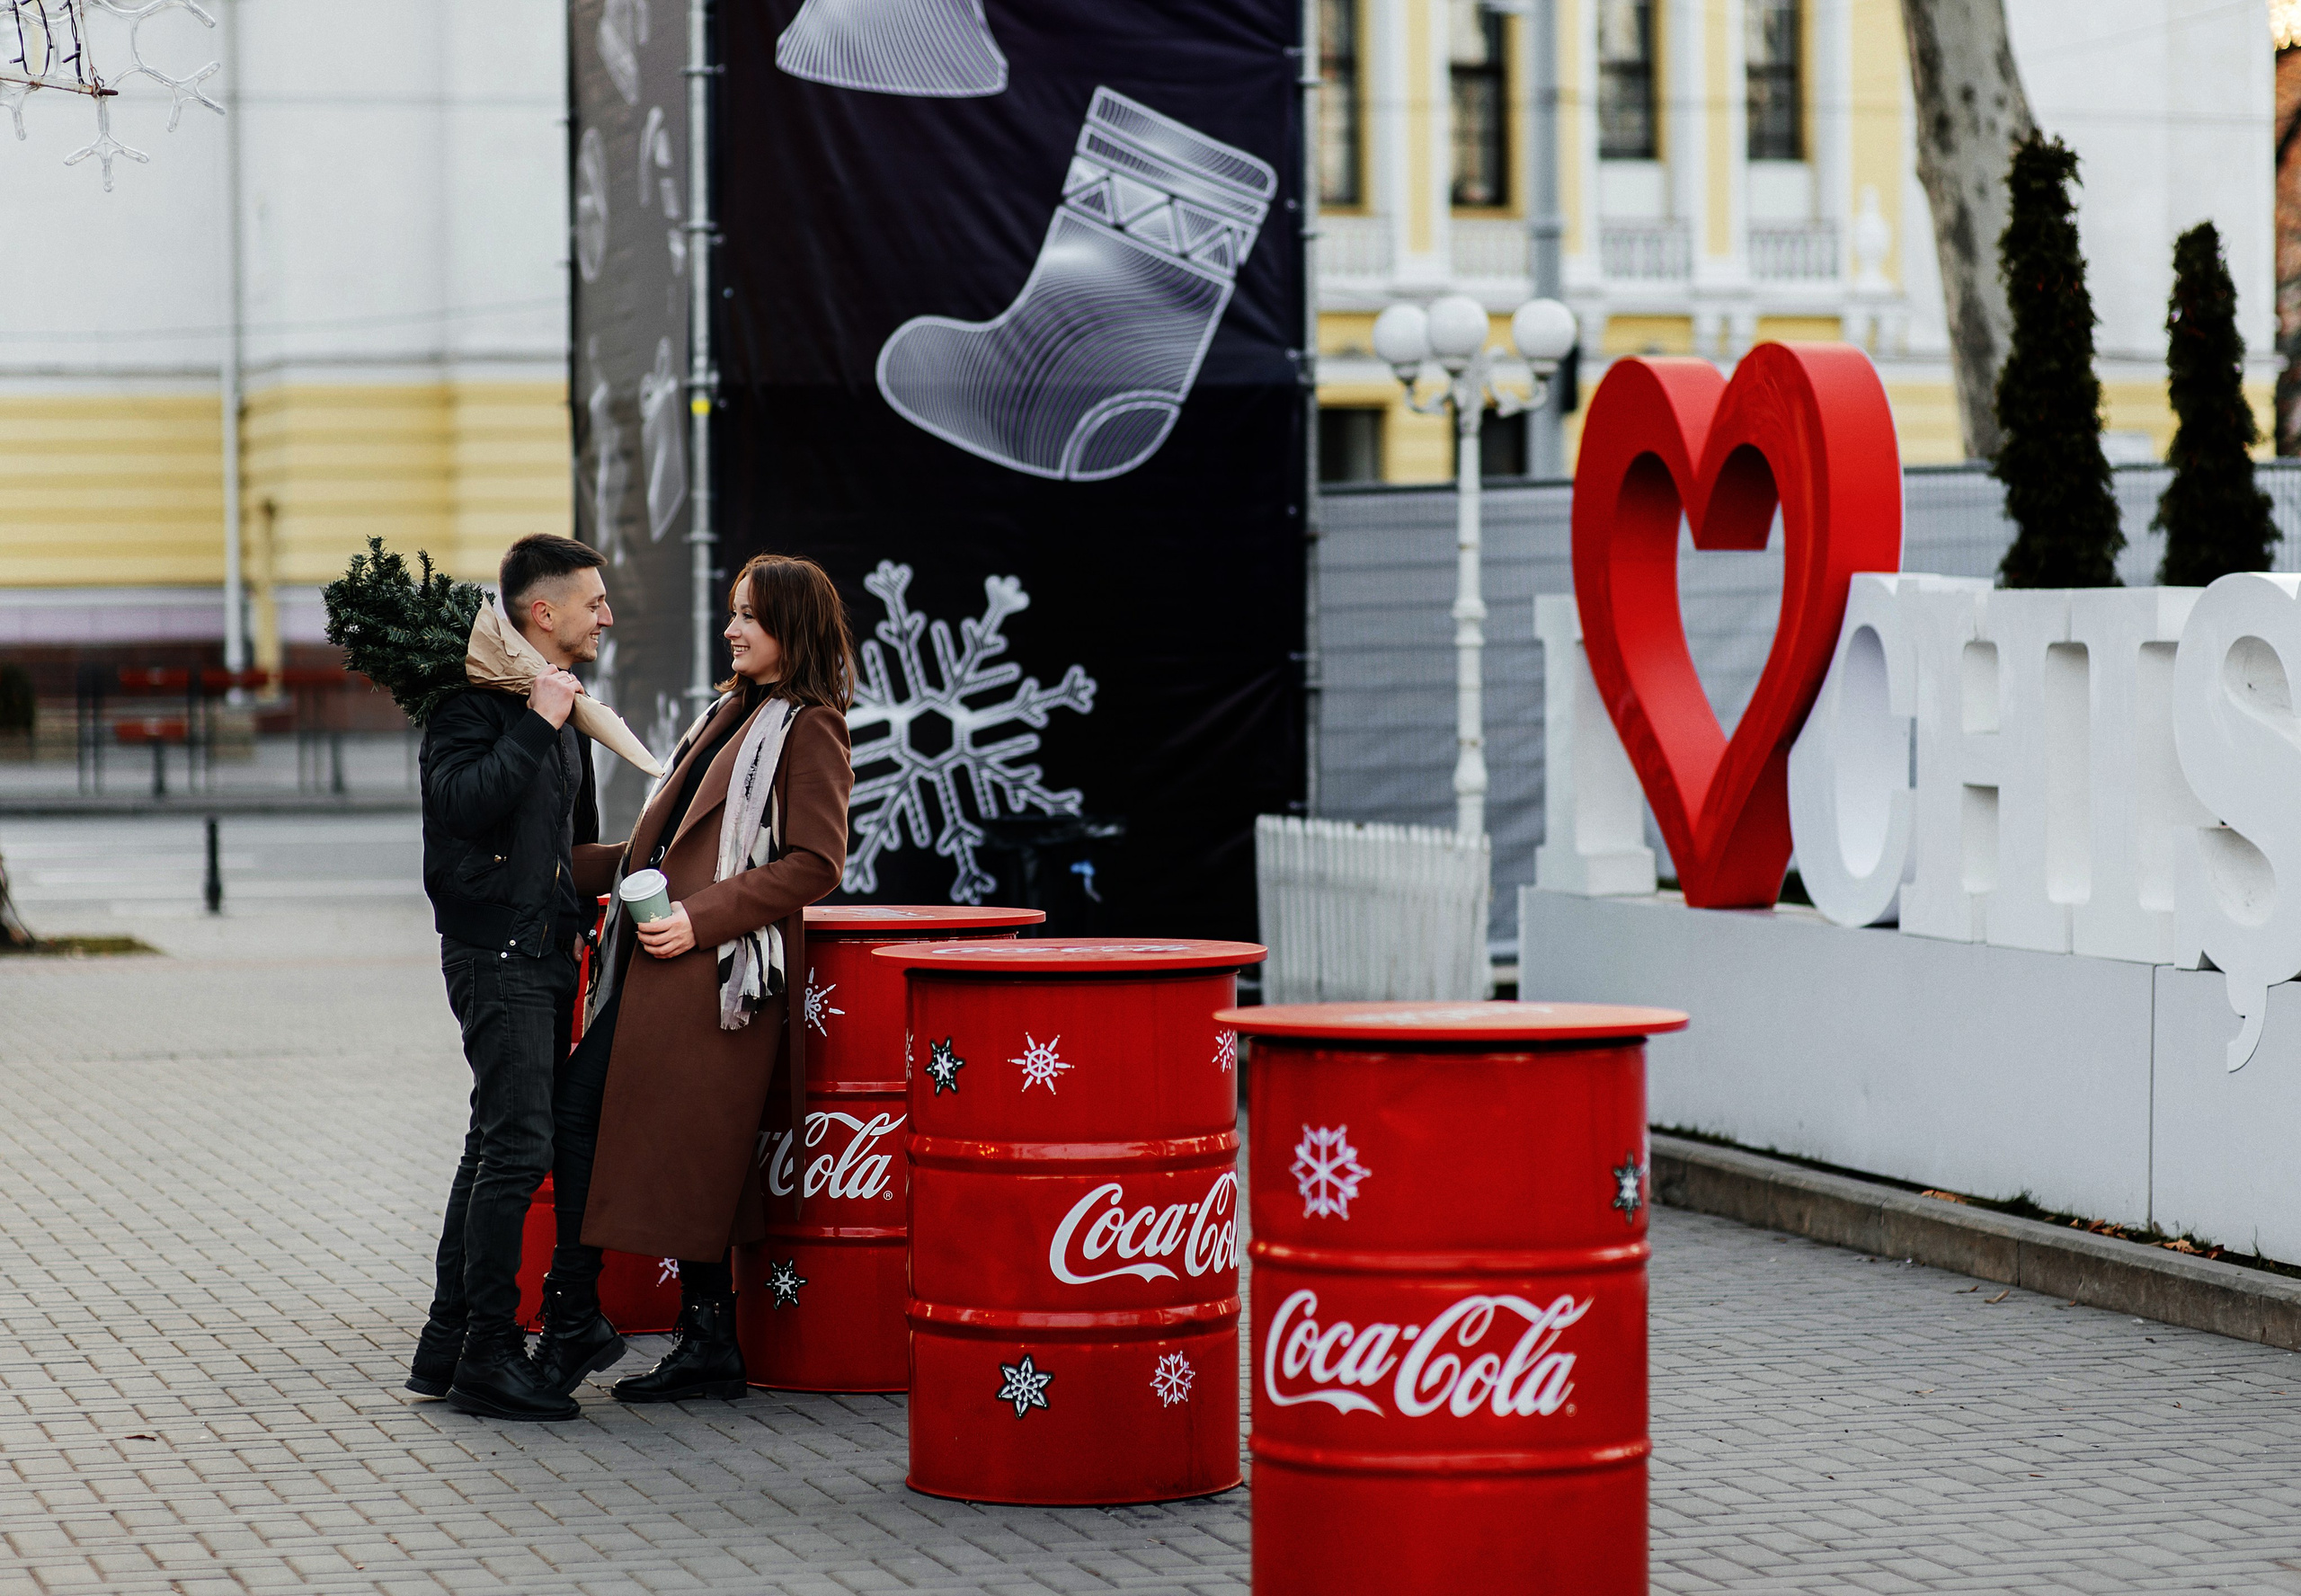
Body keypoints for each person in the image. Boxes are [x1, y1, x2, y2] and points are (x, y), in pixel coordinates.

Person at [530, 554, 855, 1402]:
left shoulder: (809, 724)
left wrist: (700, 919)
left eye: (750, 615)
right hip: (661, 969)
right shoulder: (729, 713)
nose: (732, 628)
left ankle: (579, 1321)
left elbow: (817, 863)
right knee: (672, 1151)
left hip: (714, 978)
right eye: (733, 612)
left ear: (793, 629)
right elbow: (661, 844)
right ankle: (703, 1336)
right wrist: (551, 868)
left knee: (624, 1129)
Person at [409, 534, 625, 1422]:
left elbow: (566, 851)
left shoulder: (560, 705)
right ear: (545, 613)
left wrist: (656, 860)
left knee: (493, 1142)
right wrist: (538, 719)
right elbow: (460, 805)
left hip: (545, 950)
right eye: (594, 602)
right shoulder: (476, 701)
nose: (606, 615)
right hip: (496, 952)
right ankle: (491, 1357)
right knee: (518, 1150)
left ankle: (449, 1341)